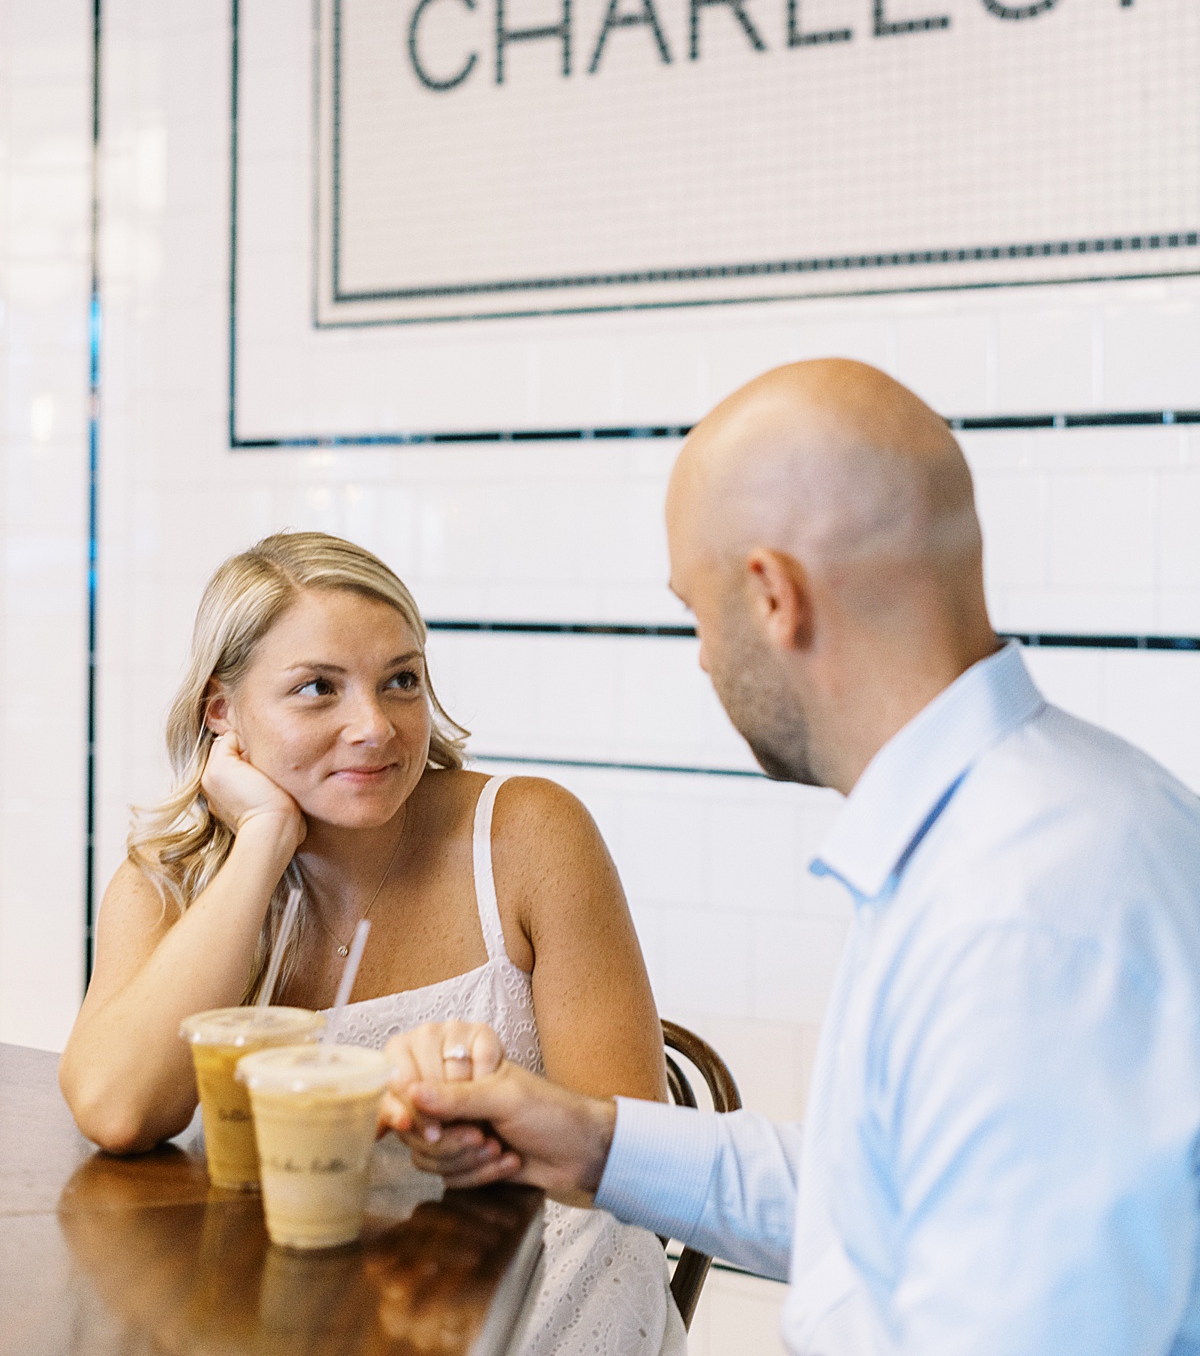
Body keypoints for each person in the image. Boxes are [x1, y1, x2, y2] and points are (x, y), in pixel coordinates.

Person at [379, 359, 1200, 1355]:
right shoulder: (1029, 821)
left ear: (773, 594)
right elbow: (882, 1207)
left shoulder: (1022, 909)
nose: (704, 660)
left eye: (698, 611)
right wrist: (586, 1138)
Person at [59, 532, 686, 1356]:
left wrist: (482, 1124)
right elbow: (117, 1109)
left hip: (546, 1299)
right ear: (222, 712)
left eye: (401, 682)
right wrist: (263, 843)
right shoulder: (168, 887)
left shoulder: (529, 834)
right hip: (293, 1317)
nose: (375, 727)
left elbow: (634, 1156)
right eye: (318, 688)